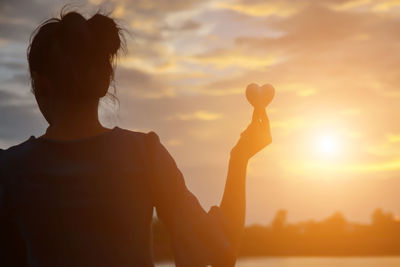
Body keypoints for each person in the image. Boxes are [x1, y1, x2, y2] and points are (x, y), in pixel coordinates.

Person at [0, 10, 272, 267]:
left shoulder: (10, 169)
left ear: (41, 84)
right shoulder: (145, 154)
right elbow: (221, 253)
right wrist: (240, 157)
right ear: (105, 82)